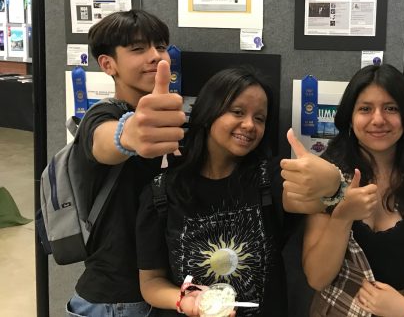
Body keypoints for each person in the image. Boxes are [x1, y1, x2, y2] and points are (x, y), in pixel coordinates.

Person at [136, 67, 341, 316]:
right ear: (209, 112)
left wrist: (333, 184)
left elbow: (320, 202)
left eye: (260, 118)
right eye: (237, 112)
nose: (249, 125)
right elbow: (150, 283)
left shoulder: (270, 179)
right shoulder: (162, 192)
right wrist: (186, 301)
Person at [66, 9, 186, 317]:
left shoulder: (173, 119)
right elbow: (107, 141)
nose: (154, 56)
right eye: (137, 49)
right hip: (115, 301)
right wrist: (129, 134)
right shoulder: (99, 117)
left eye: (160, 47)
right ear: (108, 64)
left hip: (162, 291)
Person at [301, 64, 404, 317]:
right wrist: (343, 216)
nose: (378, 119)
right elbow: (316, 277)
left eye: (391, 108)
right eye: (365, 109)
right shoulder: (328, 177)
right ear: (350, 117)